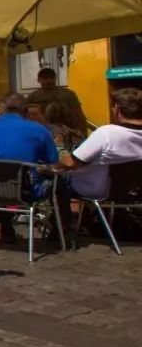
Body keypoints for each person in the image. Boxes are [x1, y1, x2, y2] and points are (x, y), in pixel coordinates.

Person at [0, 92, 59, 243]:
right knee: (61, 181)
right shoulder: (38, 130)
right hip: (25, 191)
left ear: (1, 111)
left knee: (1, 179)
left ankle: (6, 227)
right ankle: (60, 231)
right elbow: (53, 162)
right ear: (25, 111)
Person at [57, 87, 142, 241]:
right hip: (129, 190)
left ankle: (60, 231)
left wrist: (59, 149)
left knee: (55, 181)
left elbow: (72, 163)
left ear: (117, 109)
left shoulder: (107, 134)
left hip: (95, 190)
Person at [28, 68, 87, 134]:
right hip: (41, 130)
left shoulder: (67, 94)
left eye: (52, 78)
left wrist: (83, 134)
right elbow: (27, 116)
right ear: (39, 80)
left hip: (65, 130)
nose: (49, 80)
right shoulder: (33, 96)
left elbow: (78, 115)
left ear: (55, 78)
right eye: (46, 78)